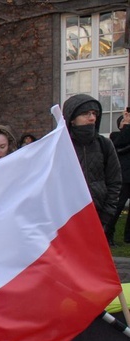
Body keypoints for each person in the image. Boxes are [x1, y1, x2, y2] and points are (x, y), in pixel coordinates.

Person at [62, 94, 122, 245]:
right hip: (68, 218)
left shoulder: (105, 145)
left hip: (97, 215)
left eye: (94, 113)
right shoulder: (61, 146)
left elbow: (114, 182)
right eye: (85, 114)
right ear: (72, 119)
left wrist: (106, 217)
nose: (92, 118)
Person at [108, 112, 130, 245]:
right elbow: (120, 143)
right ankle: (108, 233)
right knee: (118, 206)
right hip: (123, 177)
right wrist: (126, 127)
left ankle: (128, 236)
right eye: (124, 121)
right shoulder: (115, 136)